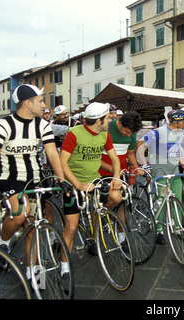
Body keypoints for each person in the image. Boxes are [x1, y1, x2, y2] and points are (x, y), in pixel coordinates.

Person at [0, 84, 69, 278]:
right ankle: (3, 243)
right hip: (10, 179)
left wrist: (61, 179)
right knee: (21, 214)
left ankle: (34, 275)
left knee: (33, 228)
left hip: (35, 180)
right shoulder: (3, 125)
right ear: (27, 103)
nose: (45, 105)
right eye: (40, 101)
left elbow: (53, 155)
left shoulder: (42, 125)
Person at [60, 102, 123, 256]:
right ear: (98, 121)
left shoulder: (105, 134)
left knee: (117, 196)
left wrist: (115, 177)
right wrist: (78, 184)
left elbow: (114, 158)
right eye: (108, 118)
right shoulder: (74, 133)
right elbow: (62, 162)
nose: (111, 120)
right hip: (74, 183)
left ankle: (97, 214)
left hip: (95, 180)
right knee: (71, 228)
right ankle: (64, 267)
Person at [136, 109, 184, 244]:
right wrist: (144, 165)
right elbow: (140, 145)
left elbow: (179, 151)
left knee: (177, 200)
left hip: (174, 171)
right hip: (161, 173)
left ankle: (178, 229)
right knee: (160, 200)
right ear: (177, 121)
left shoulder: (179, 133)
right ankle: (159, 230)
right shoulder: (159, 132)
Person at [99, 110, 144, 177]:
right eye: (126, 132)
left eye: (132, 133)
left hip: (122, 173)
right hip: (102, 173)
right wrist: (111, 169)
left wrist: (136, 167)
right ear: (120, 124)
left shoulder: (132, 134)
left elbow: (130, 153)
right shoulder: (107, 128)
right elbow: (96, 157)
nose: (129, 135)